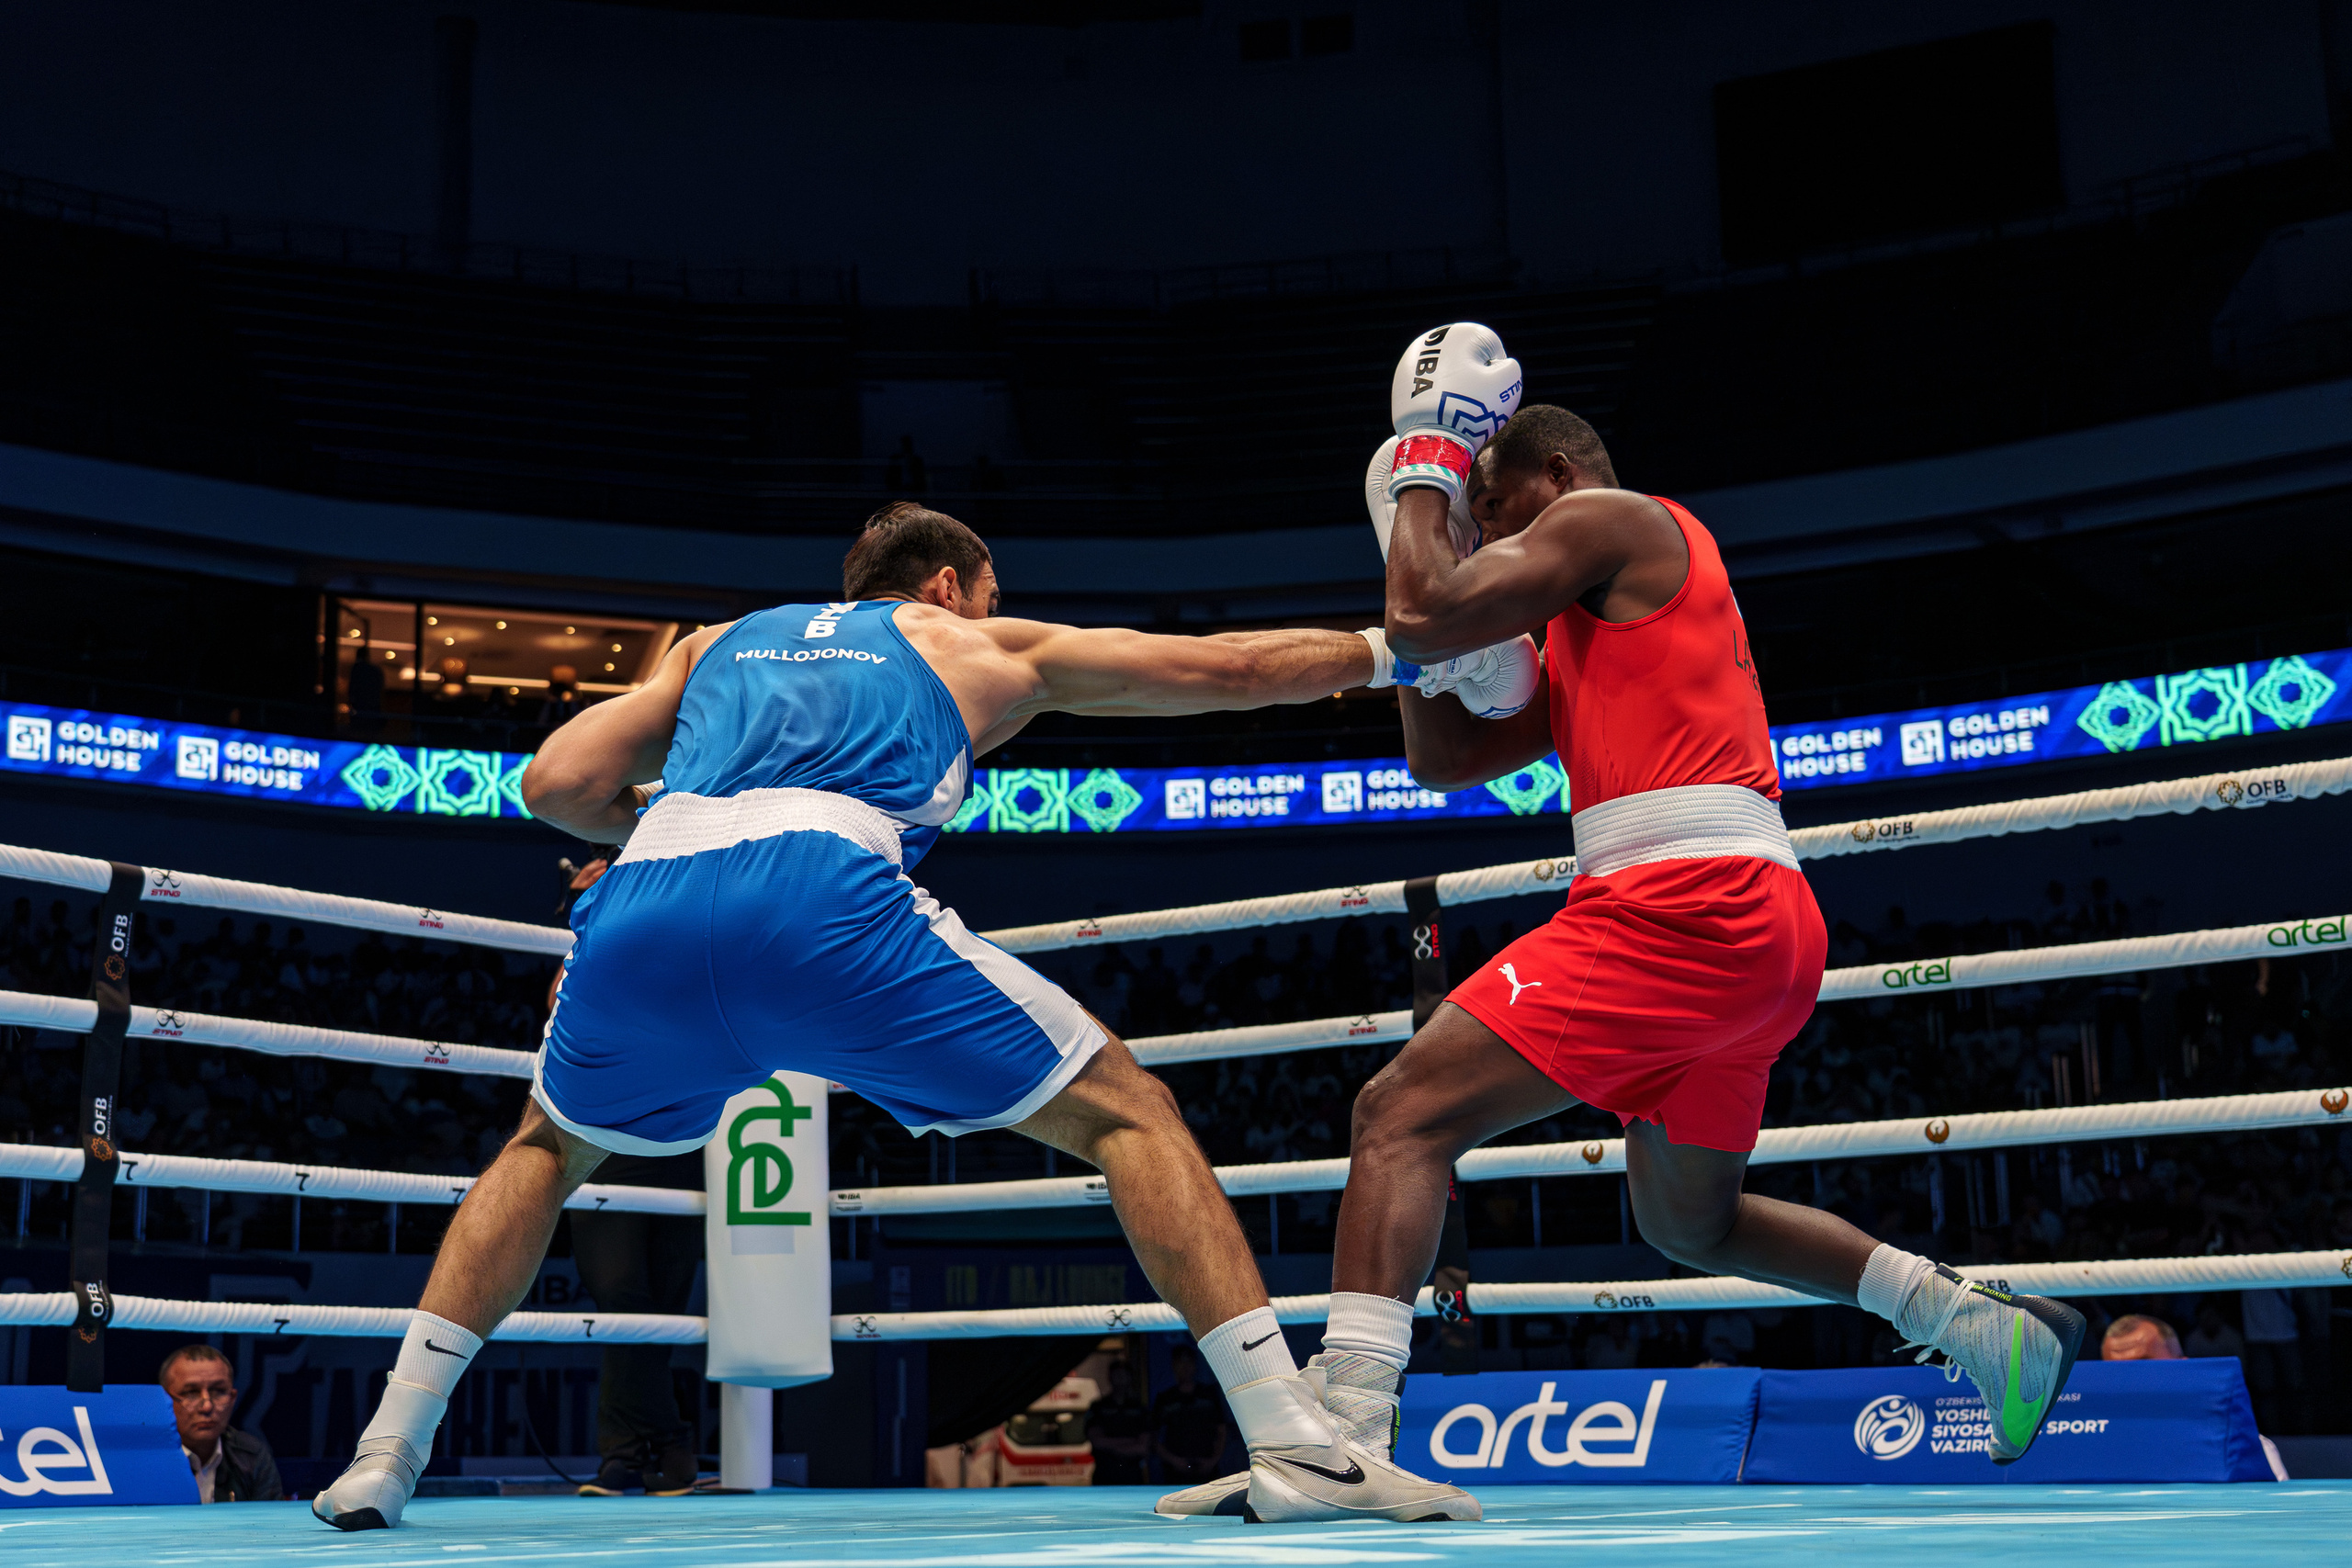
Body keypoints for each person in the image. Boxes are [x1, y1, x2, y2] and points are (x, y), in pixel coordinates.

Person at [316, 502, 1508, 1531]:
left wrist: (687, 831)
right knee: (1132, 1113)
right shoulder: (961, 637)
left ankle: (385, 1450)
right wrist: (1407, 654)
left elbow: (554, 785)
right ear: (948, 585)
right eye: (992, 589)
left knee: (545, 1147)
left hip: (650, 890)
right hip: (829, 893)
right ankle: (1293, 1437)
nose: (998, 605)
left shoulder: (714, 642)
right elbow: (1226, 671)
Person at [1163, 323, 2089, 1517]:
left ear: (1546, 478)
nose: (1482, 535)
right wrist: (1423, 646)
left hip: (1682, 903)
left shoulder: (1618, 521)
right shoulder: (1590, 622)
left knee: (1397, 1114)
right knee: (1687, 1217)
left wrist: (1428, 466)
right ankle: (1976, 1322)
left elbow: (1429, 593)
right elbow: (1450, 756)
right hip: (1753, 928)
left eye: (1489, 509)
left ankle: (1338, 1438)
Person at [543, 855, 707, 1498]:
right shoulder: (586, 943)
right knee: (624, 1298)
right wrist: (593, 913)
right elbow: (557, 1007)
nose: (595, 865)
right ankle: (668, 1442)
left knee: (661, 1307)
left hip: (681, 1138)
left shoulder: (682, 926)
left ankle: (625, 1456)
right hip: (605, 1145)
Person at [2102, 1310, 2288, 1479]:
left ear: (2183, 1367)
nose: (2128, 1384)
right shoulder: (2086, 1449)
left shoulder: (2238, 1451)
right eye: (2115, 1373)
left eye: (2142, 1367)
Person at [160, 1344, 283, 1503]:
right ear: (164, 1400)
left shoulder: (252, 1457)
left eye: (218, 1391)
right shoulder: (144, 1459)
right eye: (191, 1393)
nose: (207, 1406)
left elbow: (272, 1524)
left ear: (232, 1399)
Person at [1150, 1348, 1230, 1487]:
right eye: (1180, 1363)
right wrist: (1174, 1461)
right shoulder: (1165, 1398)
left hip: (1206, 1467)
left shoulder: (1208, 1395)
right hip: (1176, 1469)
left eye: (1188, 1362)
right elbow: (1153, 1438)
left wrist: (1212, 1461)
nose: (1185, 1367)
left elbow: (1222, 1431)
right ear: (1174, 1366)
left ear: (1195, 1365)